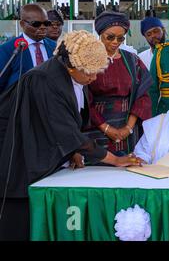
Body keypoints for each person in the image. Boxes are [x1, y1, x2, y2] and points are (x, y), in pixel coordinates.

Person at [0, 30, 144, 241]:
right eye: (89, 73)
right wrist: (115, 160)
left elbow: (69, 125)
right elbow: (67, 133)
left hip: (42, 155)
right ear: (70, 66)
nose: (94, 78)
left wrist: (72, 153)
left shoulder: (74, 76)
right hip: (21, 161)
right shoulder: (45, 80)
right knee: (20, 225)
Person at [83, 11, 152, 157]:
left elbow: (142, 96)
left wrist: (128, 128)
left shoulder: (132, 60)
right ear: (100, 34)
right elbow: (84, 98)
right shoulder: (86, 60)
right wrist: (106, 128)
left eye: (120, 38)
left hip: (127, 128)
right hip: (95, 127)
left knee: (127, 169)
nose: (115, 42)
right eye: (110, 37)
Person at [0, 4, 56, 94]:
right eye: (36, 24)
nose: (43, 27)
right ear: (22, 24)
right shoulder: (7, 49)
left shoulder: (54, 47)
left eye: (46, 23)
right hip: (20, 105)